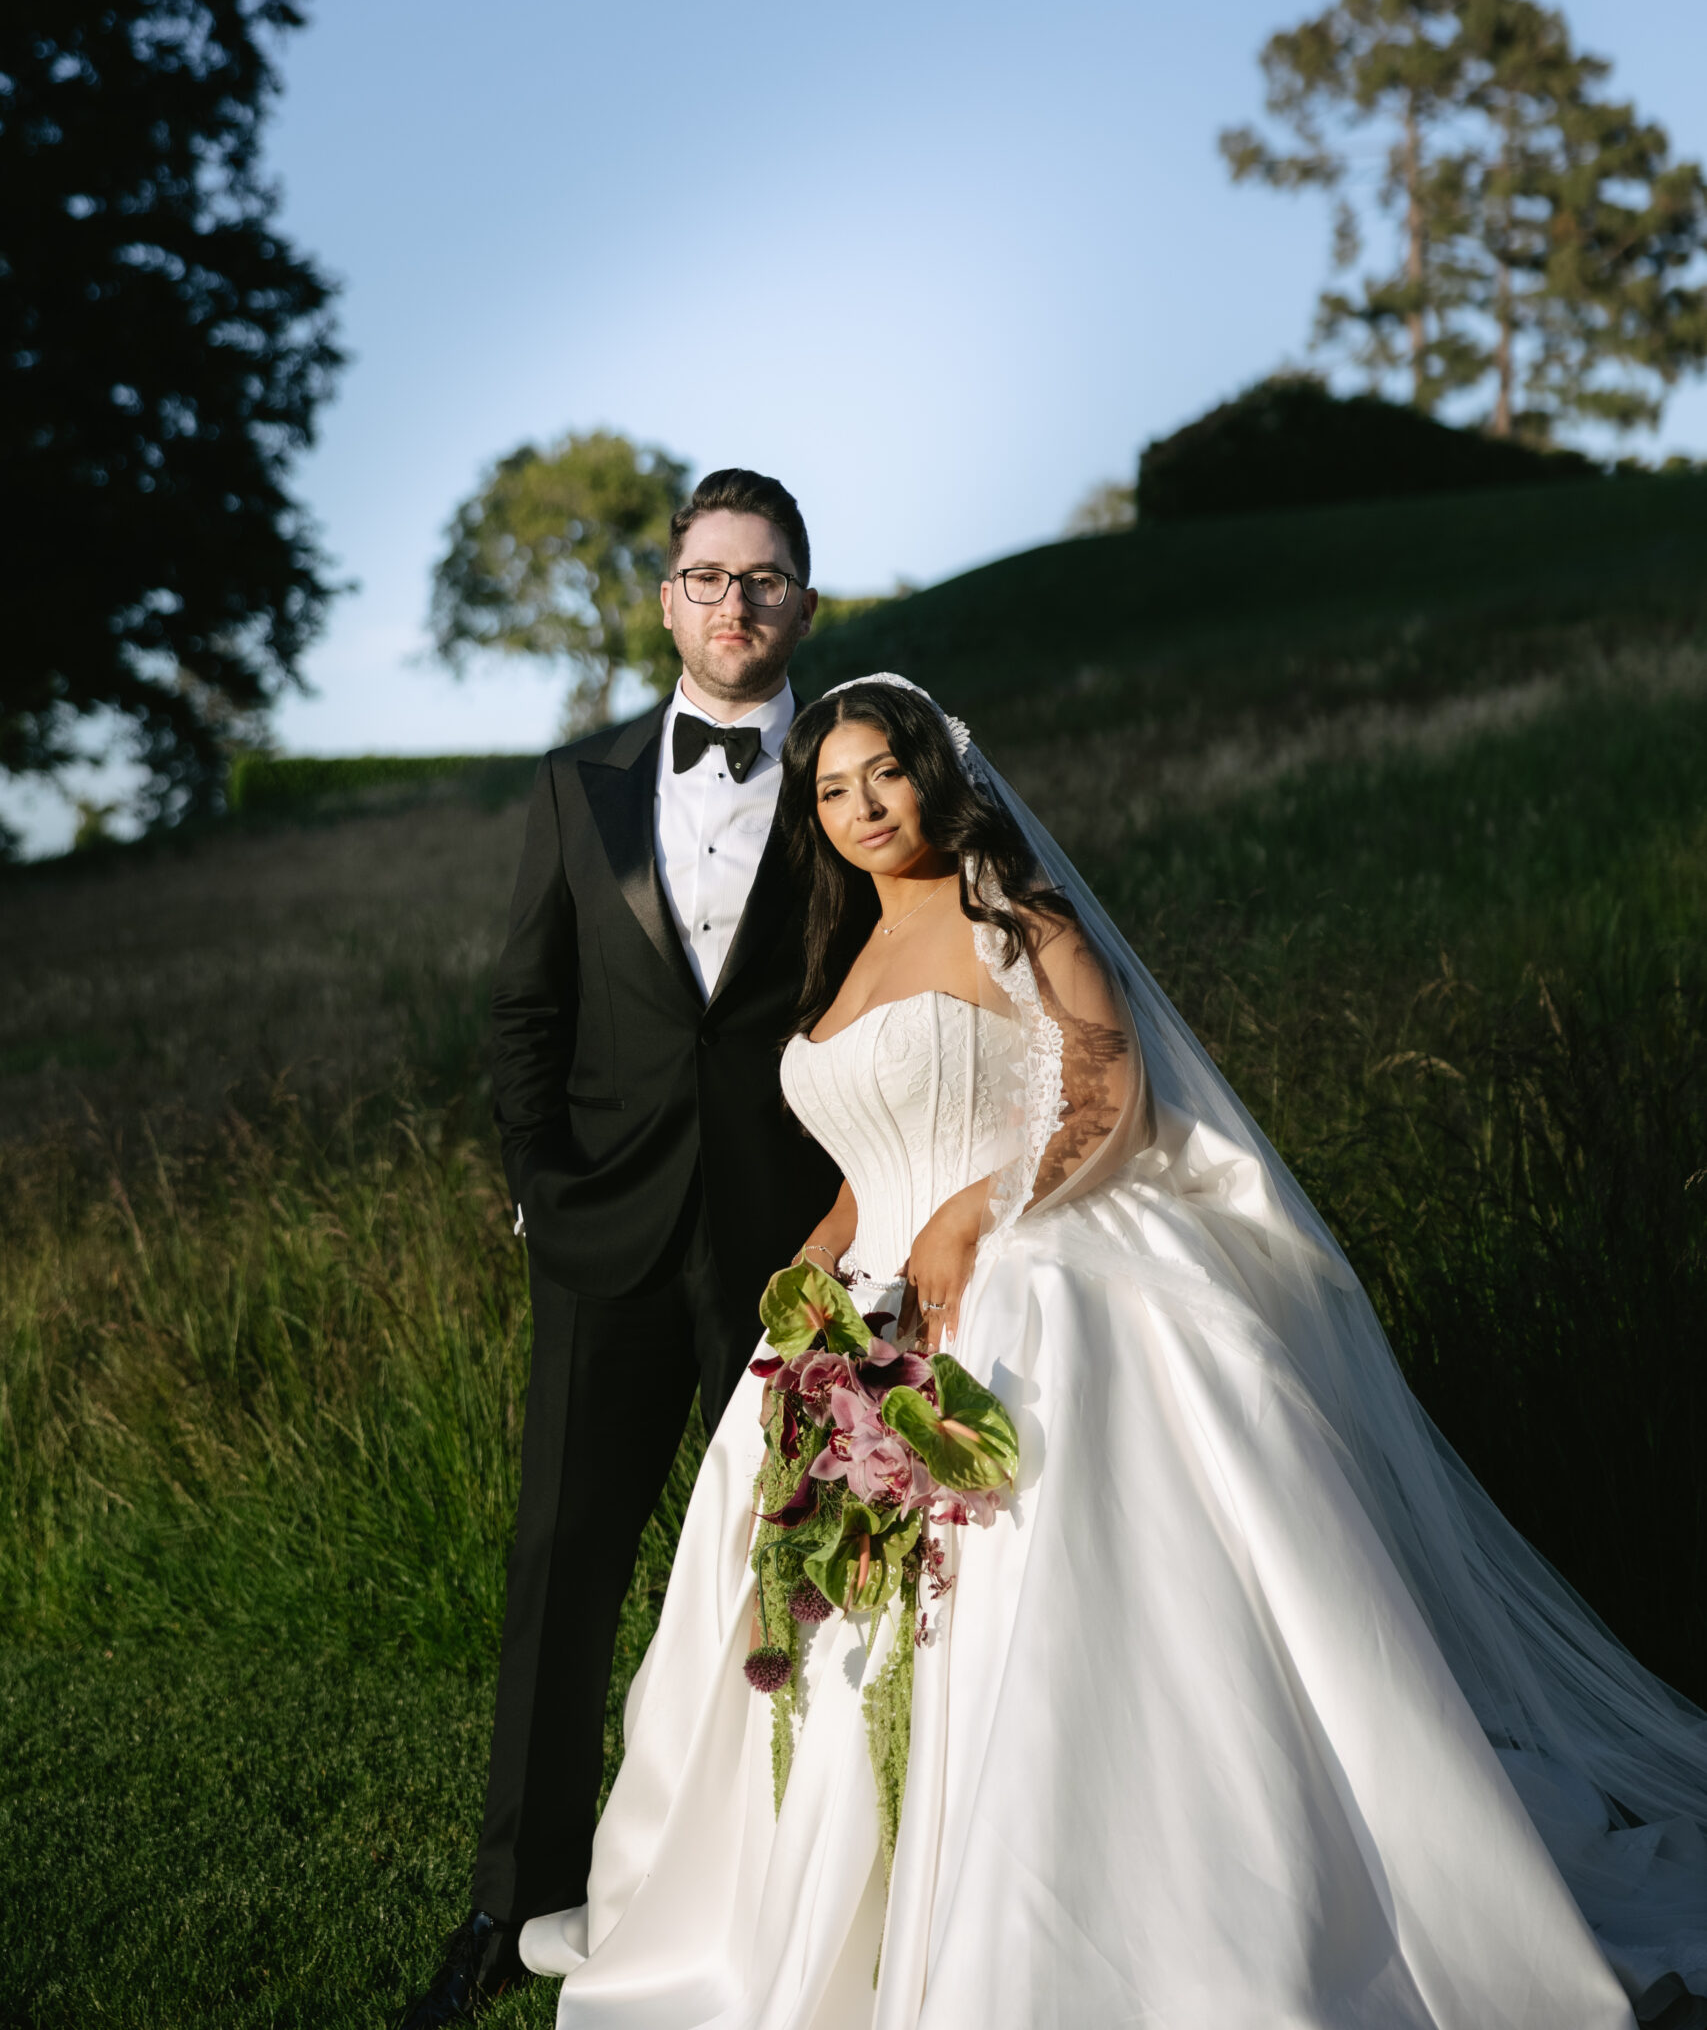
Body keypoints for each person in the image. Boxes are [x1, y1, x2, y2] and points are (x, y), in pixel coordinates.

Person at [512, 674, 1707, 2030]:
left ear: (936, 777)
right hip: (862, 1302)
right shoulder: (843, 954)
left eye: (880, 778)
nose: (859, 810)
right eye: (831, 790)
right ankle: (839, 1902)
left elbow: (1105, 1093)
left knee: (1032, 1570)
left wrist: (976, 1213)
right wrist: (825, 1244)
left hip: (1027, 1261)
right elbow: (860, 1140)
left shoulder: (1020, 921)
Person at [399, 470, 867, 2030]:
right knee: (563, 1570)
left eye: (768, 580)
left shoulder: (857, 784)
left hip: (798, 1248)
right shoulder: (575, 788)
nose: (738, 605)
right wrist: (537, 1181)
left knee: (801, 1576)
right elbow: (524, 1011)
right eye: (709, 578)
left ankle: (801, 1903)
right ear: (667, 598)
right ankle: (511, 1900)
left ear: (807, 602)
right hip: (602, 1238)